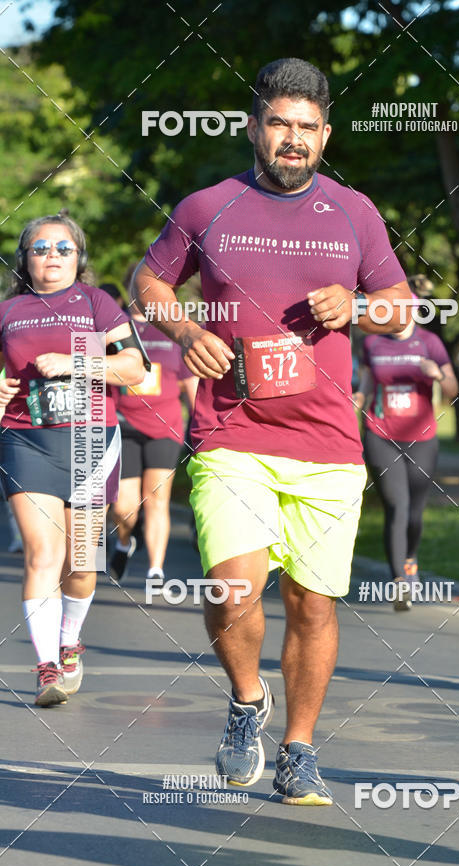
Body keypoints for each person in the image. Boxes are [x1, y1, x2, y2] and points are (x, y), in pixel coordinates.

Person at [131, 57, 411, 805]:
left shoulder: (354, 212)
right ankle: (246, 698)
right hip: (230, 434)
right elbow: (148, 280)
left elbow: (402, 308)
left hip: (328, 446)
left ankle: (299, 748)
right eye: (280, 123)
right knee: (234, 588)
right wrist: (186, 329)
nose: (293, 138)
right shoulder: (206, 207)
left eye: (307, 128)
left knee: (314, 604)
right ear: (254, 127)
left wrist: (358, 308)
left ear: (326, 136)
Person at [0, 214, 145, 706]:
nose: (52, 256)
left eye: (64, 248)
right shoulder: (9, 311)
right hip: (27, 440)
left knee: (81, 564)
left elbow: (134, 369)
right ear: (25, 258)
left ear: (79, 257)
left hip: (89, 441)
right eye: (41, 248)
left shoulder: (96, 303)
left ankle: (69, 642)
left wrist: (74, 362)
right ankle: (46, 668)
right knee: (42, 554)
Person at [354, 278, 459, 611]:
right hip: (380, 434)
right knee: (396, 506)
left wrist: (438, 375)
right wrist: (356, 400)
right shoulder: (373, 343)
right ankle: (399, 580)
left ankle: (410, 559)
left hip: (422, 439)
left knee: (414, 512)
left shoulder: (430, 343)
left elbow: (453, 390)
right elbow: (366, 385)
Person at [109, 299, 198, 583]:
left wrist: (201, 432)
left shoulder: (174, 331)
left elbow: (191, 388)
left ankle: (155, 569)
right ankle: (124, 541)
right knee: (124, 507)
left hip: (165, 427)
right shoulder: (115, 328)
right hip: (124, 425)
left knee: (157, 499)